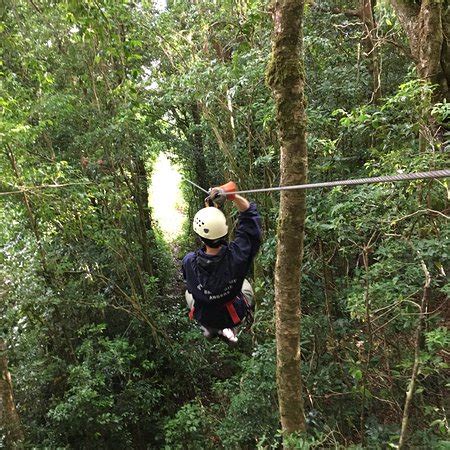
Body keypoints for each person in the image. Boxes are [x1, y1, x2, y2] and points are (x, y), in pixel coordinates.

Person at [182, 183, 262, 343]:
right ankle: (230, 328)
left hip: (205, 314)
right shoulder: (238, 256)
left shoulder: (189, 261)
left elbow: (191, 285)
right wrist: (232, 195)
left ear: (199, 237)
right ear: (225, 232)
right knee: (244, 283)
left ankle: (211, 328)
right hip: (233, 313)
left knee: (188, 292)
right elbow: (250, 218)